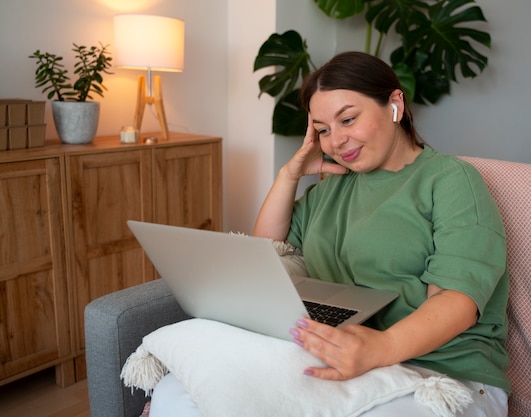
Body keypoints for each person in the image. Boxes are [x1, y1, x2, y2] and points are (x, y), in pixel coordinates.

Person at [150, 51, 510, 416]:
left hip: (441, 374)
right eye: (322, 130)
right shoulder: (330, 190)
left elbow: (457, 302)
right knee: (178, 391)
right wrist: (289, 175)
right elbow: (266, 258)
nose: (336, 141)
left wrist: (379, 348)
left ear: (394, 104)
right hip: (344, 356)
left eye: (348, 119)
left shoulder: (450, 180)